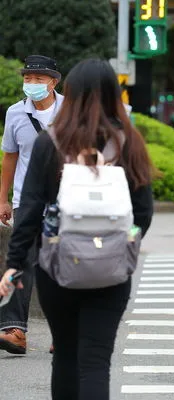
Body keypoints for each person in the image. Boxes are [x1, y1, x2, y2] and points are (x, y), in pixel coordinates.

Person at [0, 59, 154, 399]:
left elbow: (30, 209)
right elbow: (143, 212)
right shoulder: (128, 142)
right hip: (112, 272)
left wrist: (14, 263)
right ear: (114, 94)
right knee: (96, 361)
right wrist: (121, 242)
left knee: (66, 356)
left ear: (67, 92)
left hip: (58, 269)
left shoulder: (51, 142)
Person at [0, 55, 63, 355]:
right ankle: (14, 330)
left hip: (64, 200)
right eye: (28, 78)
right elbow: (9, 157)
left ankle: (63, 332)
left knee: (60, 265)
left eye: (38, 79)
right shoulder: (15, 113)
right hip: (26, 200)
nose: (32, 84)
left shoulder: (70, 112)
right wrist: (3, 198)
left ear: (53, 81)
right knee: (19, 262)